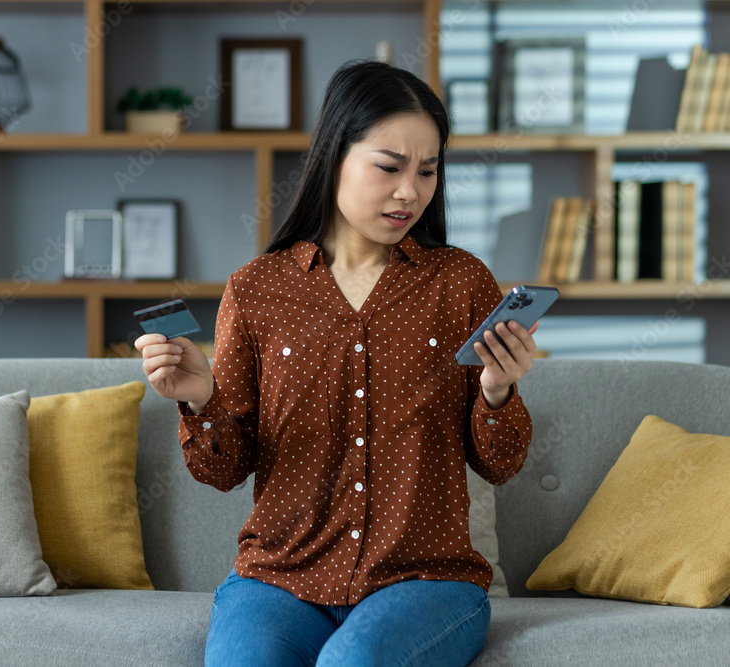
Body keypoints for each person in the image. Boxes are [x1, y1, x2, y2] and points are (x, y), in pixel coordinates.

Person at [134, 58, 539, 667]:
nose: (411, 191)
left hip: (425, 581)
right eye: (389, 167)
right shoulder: (256, 290)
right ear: (335, 156)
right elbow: (224, 471)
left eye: (428, 171)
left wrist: (498, 392)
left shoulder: (459, 283)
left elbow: (500, 464)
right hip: (281, 579)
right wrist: (200, 398)